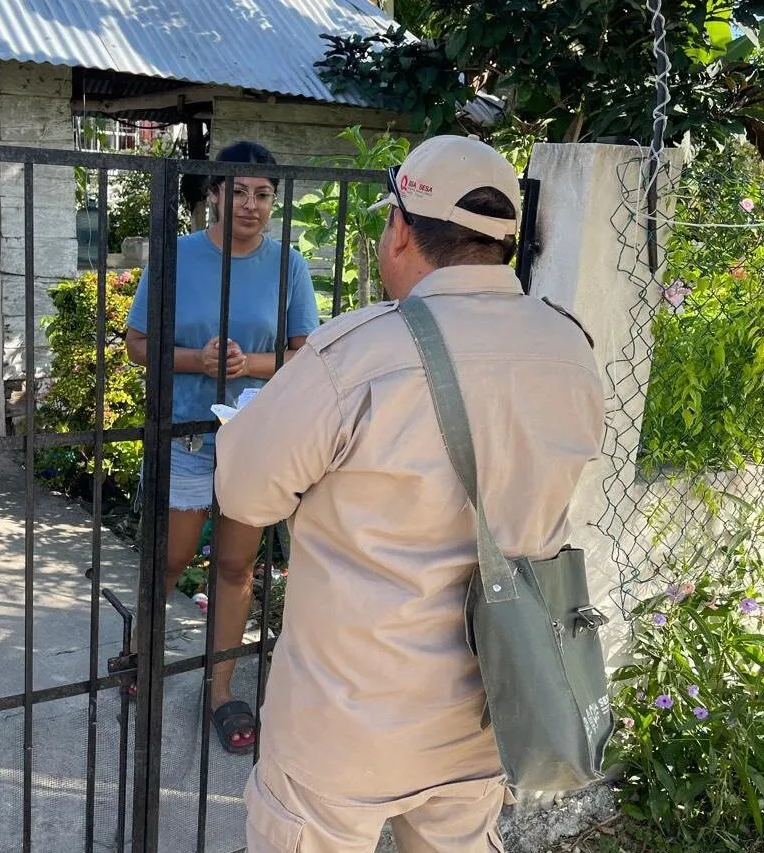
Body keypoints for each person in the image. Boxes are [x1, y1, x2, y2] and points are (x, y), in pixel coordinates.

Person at [214, 136, 605, 851]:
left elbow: (244, 490)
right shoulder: (570, 349)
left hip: (347, 722)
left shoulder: (359, 353)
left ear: (400, 229)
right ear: (507, 243)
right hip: (488, 710)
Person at [125, 141, 319, 755]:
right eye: (238, 191)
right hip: (186, 437)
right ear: (214, 193)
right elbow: (136, 344)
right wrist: (196, 359)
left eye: (263, 194)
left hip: (252, 438)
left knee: (236, 568)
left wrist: (248, 363)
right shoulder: (177, 258)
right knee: (172, 559)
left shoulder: (288, 264)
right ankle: (141, 654)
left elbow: (305, 352)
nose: (251, 205)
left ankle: (220, 687)